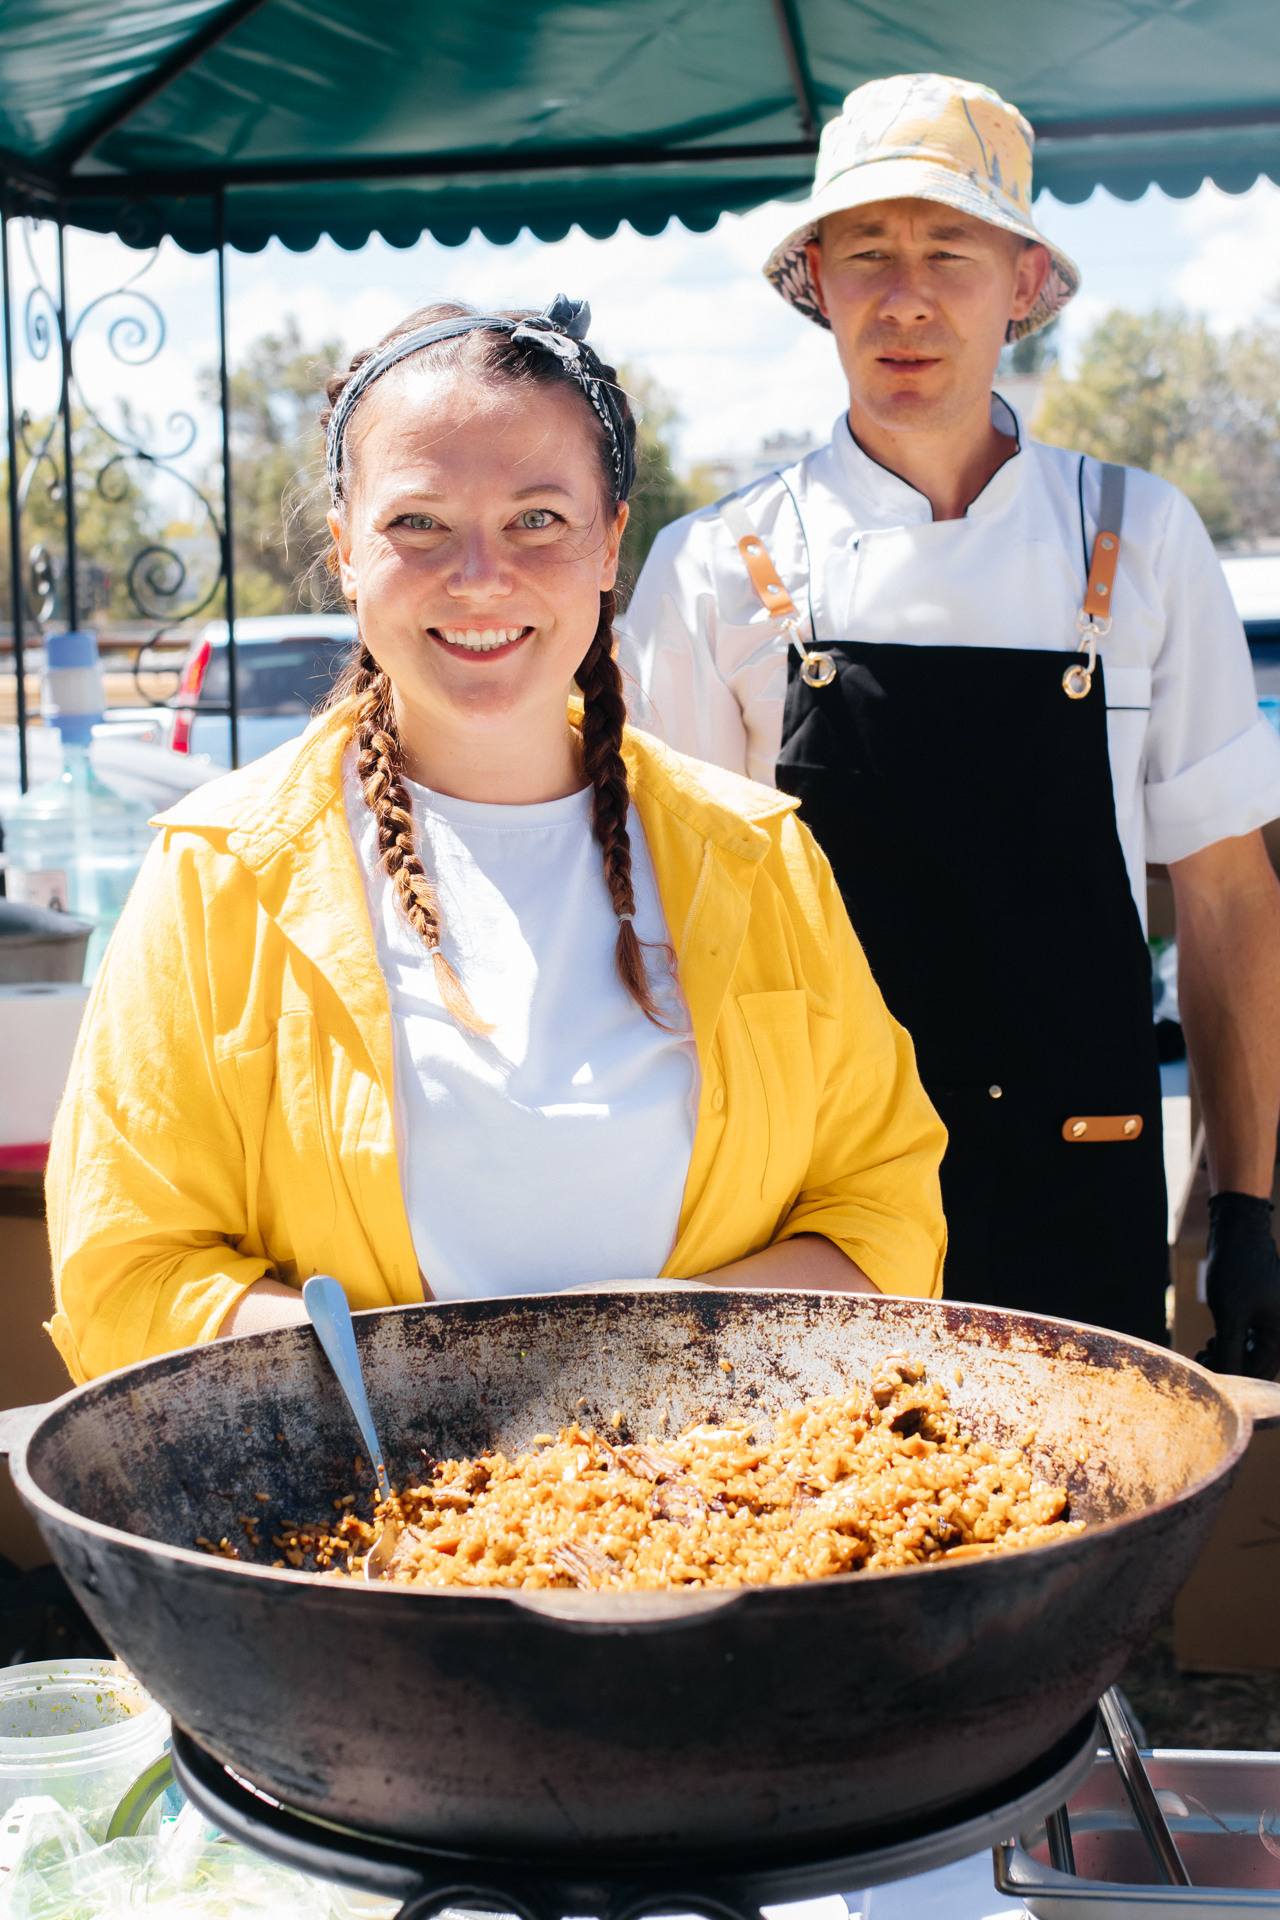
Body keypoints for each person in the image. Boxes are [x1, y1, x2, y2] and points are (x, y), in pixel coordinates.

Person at [45, 295, 946, 1383]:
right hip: (361, 1494)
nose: (479, 575)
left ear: (610, 543)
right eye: (419, 523)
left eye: (538, 519)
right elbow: (127, 1273)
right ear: (344, 550)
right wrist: (439, 1395)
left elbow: (881, 1213)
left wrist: (642, 1365)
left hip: (714, 1486)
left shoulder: (757, 856)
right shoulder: (216, 872)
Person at [621, 74, 1280, 1375]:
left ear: (1022, 283)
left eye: (949, 253)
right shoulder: (712, 564)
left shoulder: (1138, 537)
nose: (906, 297)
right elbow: (657, 924)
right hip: (811, 1218)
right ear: (816, 281)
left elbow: (1226, 895)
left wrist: (1249, 1212)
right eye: (867, 253)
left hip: (1080, 1189)